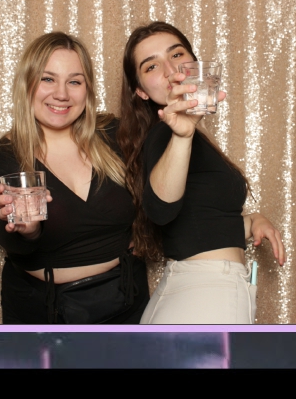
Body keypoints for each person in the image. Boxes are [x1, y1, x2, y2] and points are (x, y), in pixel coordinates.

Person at [0, 31, 145, 323]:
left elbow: (163, 190)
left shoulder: (116, 134)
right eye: (47, 79)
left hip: (129, 303)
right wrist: (28, 231)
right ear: (26, 84)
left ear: (87, 90)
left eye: (74, 81)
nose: (61, 94)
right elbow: (12, 240)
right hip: (44, 316)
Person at [118, 22, 285, 323]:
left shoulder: (188, 137)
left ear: (195, 63)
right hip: (208, 293)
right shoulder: (165, 135)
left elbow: (199, 227)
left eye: (176, 54)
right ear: (141, 91)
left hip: (196, 290)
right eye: (152, 66)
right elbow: (161, 208)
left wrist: (251, 221)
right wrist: (181, 135)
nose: (171, 70)